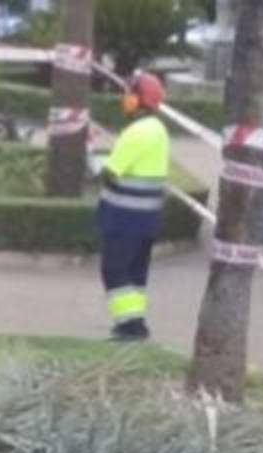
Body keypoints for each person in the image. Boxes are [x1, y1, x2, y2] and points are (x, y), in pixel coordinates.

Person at [93, 73, 170, 342]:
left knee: (113, 269)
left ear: (140, 99)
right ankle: (136, 324)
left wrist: (89, 157)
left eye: (129, 94)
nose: (124, 99)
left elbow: (110, 172)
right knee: (135, 273)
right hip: (146, 219)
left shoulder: (137, 131)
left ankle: (129, 327)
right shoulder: (158, 129)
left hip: (124, 218)